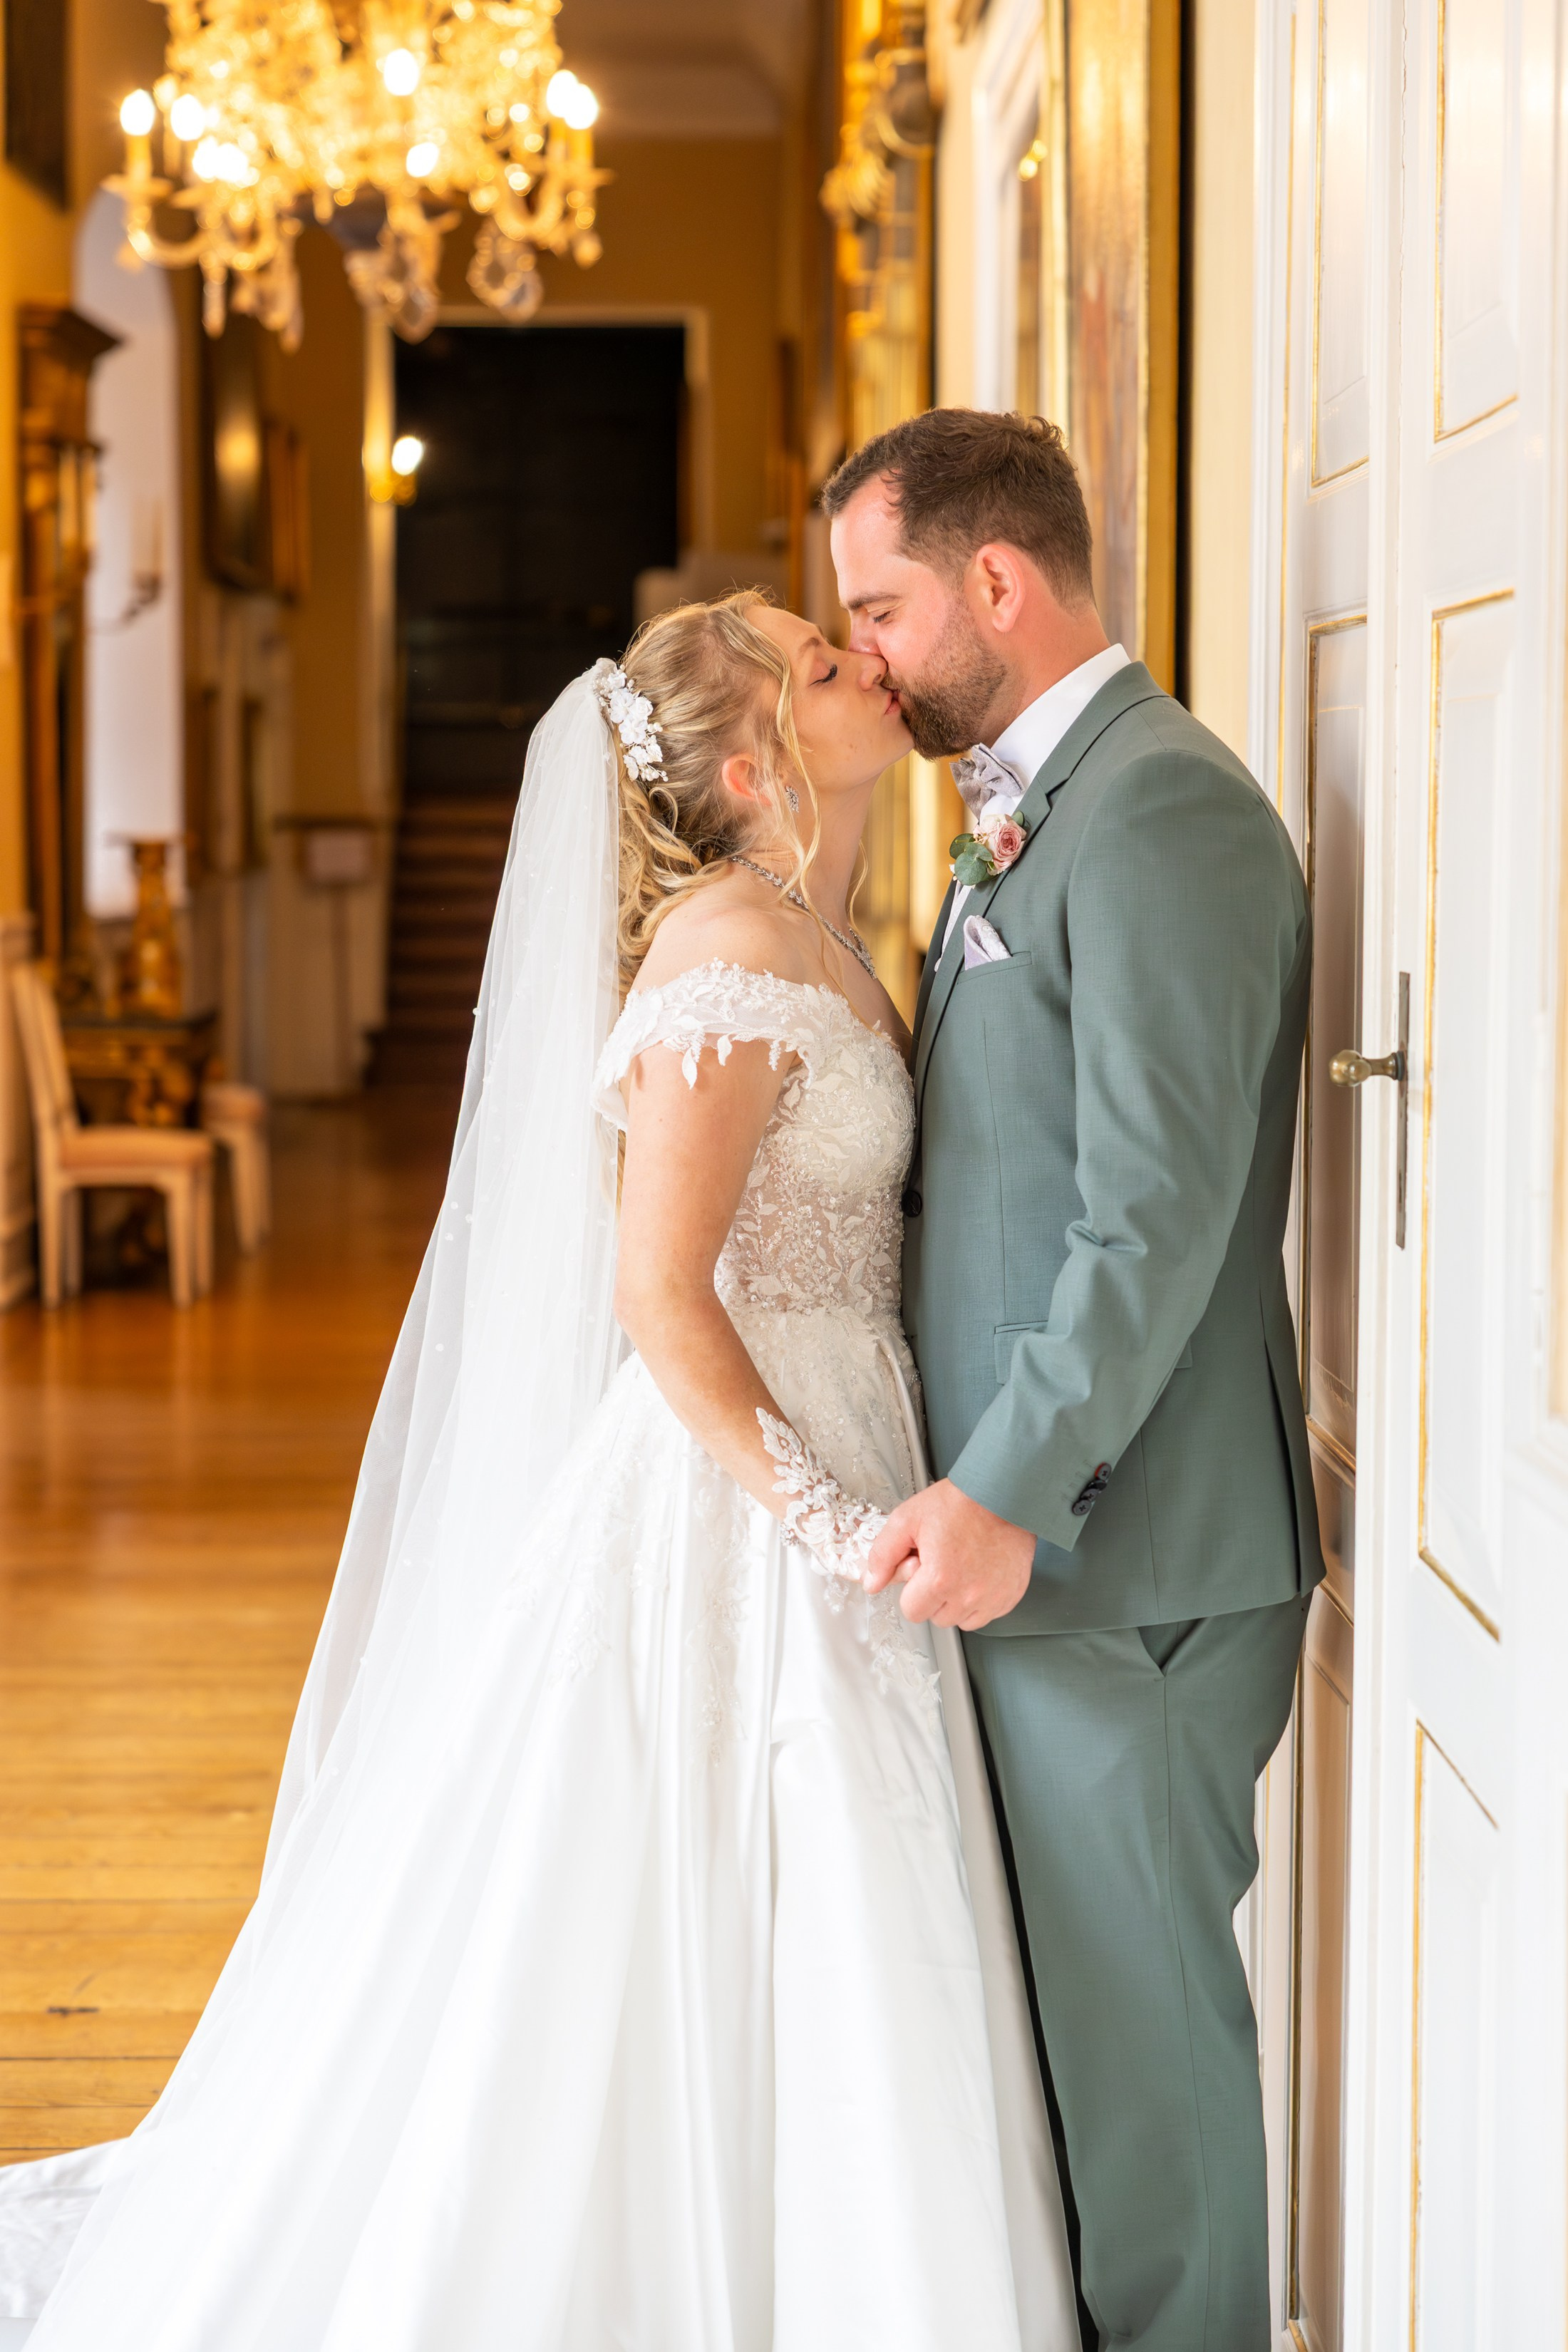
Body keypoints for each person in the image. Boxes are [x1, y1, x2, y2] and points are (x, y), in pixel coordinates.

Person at [0, 592, 1078, 2351]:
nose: (864, 666)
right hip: (754, 1492)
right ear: (755, 763)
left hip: (848, 1432)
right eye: (824, 664)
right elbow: (657, 1290)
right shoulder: (729, 951)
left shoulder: (808, 925)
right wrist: (822, 1520)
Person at [824, 407, 1324, 2352]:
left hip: (1131, 1555)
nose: (865, 649)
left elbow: (1153, 1212)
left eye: (882, 605)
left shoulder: (1164, 807)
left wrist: (1011, 1483)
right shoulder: (1048, 796)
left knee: (1141, 2060)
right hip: (1052, 1556)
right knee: (1075, 2042)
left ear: (997, 585)